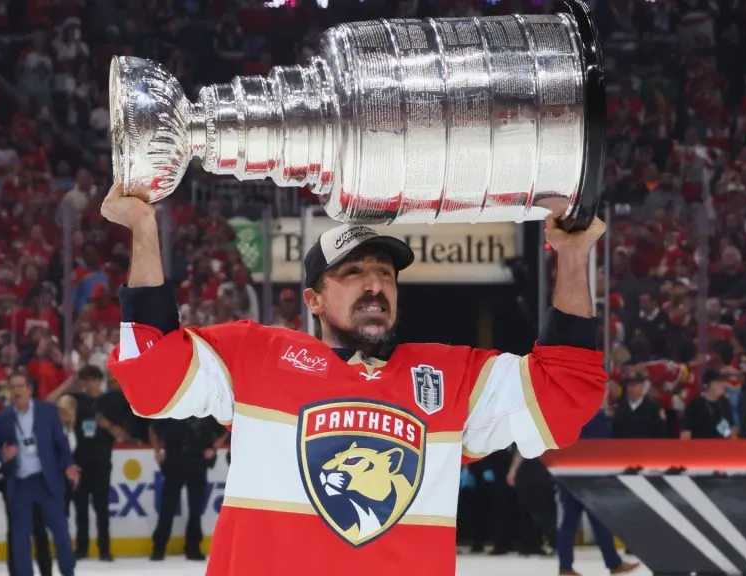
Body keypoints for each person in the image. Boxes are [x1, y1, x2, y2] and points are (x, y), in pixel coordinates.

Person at [99, 182, 608, 575]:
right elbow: (152, 374)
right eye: (353, 272)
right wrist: (143, 228)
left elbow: (564, 394)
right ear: (314, 300)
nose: (374, 284)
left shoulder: (452, 377)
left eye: (385, 273)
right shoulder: (255, 355)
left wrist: (574, 255)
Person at [0, 372, 79, 576]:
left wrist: (68, 465)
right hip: (21, 483)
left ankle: (68, 571)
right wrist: (2, 454)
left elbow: (61, 444)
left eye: (20, 386)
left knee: (61, 534)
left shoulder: (47, 411)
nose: (16, 391)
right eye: (12, 387)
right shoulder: (2, 417)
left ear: (29, 389)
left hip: (46, 480)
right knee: (21, 538)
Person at [47, 366, 129, 560]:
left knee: (102, 508)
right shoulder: (78, 400)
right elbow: (48, 403)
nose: (89, 383)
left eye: (92, 379)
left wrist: (107, 425)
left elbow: (123, 434)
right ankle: (82, 548)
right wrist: (67, 384)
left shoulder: (112, 401)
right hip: (79, 462)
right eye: (85, 380)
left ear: (99, 380)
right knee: (80, 508)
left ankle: (104, 549)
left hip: (101, 461)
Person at [556, 406, 640, 576]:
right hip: (587, 476)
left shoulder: (569, 413)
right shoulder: (594, 415)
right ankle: (569, 566)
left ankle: (607, 563)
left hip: (571, 473)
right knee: (576, 522)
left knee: (586, 522)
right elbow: (601, 445)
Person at [148, 416, 228, 561]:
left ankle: (193, 548)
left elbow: (225, 430)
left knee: (195, 510)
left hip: (197, 465)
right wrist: (157, 451)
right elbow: (153, 428)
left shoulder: (206, 414)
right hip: (174, 465)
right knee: (167, 508)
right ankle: (159, 547)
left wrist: (214, 448)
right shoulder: (173, 412)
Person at [680, 370, 736, 439]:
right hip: (701, 447)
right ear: (707, 385)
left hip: (723, 447)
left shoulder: (724, 402)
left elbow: (732, 428)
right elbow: (686, 432)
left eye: (723, 382)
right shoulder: (696, 404)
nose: (722, 385)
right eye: (718, 383)